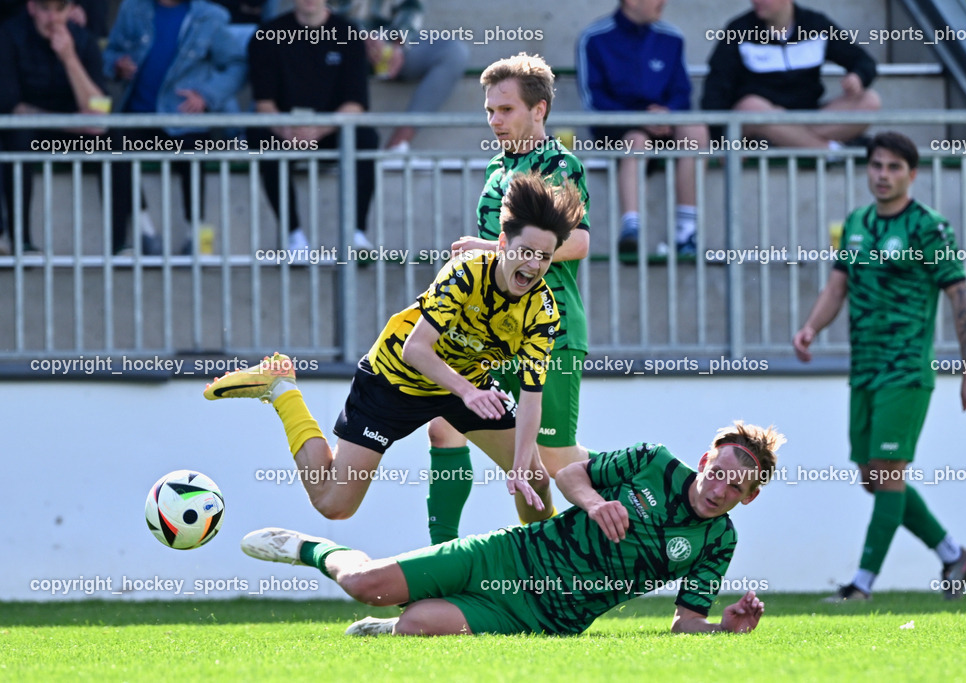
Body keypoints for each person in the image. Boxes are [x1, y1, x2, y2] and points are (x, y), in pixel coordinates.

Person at [205, 172, 584, 526]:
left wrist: (518, 464)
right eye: (526, 251)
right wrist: (469, 392)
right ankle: (282, 388)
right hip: (394, 378)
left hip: (463, 385)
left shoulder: (542, 310)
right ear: (502, 243)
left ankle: (543, 578)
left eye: (545, 257)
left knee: (534, 480)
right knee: (333, 504)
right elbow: (415, 350)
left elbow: (532, 397)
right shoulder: (466, 272)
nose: (534, 265)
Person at [240, 421, 781, 637]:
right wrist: (593, 503)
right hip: (510, 557)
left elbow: (685, 625)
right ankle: (313, 549)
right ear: (707, 459)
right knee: (365, 587)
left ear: (750, 498)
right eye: (720, 474)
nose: (719, 490)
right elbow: (569, 473)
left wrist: (725, 631)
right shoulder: (652, 460)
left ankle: (394, 628)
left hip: (545, 618)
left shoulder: (718, 541)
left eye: (736, 489)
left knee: (414, 627)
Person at [793, 131, 966, 601]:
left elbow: (959, 295)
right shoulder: (858, 222)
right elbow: (837, 286)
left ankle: (860, 586)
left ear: (912, 174)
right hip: (865, 370)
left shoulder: (928, 227)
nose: (883, 175)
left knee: (886, 471)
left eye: (894, 167)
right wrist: (811, 328)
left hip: (906, 370)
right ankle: (953, 554)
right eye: (877, 166)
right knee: (873, 477)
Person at [423, 53, 591, 544]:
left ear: (539, 110)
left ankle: (642, 492)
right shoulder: (498, 168)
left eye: (506, 110)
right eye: (489, 111)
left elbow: (579, 242)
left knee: (554, 460)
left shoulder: (559, 164)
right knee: (445, 427)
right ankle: (439, 562)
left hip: (550, 331)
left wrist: (495, 247)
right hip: (490, 331)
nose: (494, 120)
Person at [104, 0, 247, 254]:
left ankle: (196, 236)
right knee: (112, 148)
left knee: (194, 151)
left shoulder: (210, 16)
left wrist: (206, 95)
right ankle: (145, 231)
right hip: (137, 116)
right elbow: (109, 53)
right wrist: (117, 65)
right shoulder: (132, 9)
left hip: (183, 117)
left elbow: (236, 65)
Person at [247, 0, 379, 254]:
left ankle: (356, 234)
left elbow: (356, 104)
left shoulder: (348, 34)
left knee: (365, 137)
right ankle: (293, 236)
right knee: (261, 138)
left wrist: (319, 129)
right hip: (283, 130)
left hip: (332, 129)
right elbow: (263, 103)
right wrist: (287, 130)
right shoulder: (267, 35)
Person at [577, 0, 707, 256]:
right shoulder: (594, 38)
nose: (663, 2)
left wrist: (666, 114)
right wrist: (638, 118)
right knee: (637, 140)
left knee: (697, 131)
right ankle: (631, 229)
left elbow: (682, 92)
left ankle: (686, 233)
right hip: (617, 126)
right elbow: (594, 99)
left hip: (665, 123)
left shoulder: (671, 37)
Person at [0, 0, 116, 254]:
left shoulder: (83, 41)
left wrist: (70, 58)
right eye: (44, 9)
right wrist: (78, 122)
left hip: (65, 133)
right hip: (27, 133)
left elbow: (100, 112)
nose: (52, 18)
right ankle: (21, 242)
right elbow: (12, 108)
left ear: (71, 9)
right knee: (18, 138)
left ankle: (121, 245)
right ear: (31, 7)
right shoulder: (9, 35)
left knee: (117, 140)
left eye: (60, 9)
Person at [701, 0, 881, 151]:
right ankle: (829, 151)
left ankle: (787, 139)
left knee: (869, 101)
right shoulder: (738, 30)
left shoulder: (816, 24)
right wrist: (721, 140)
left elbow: (863, 60)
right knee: (752, 107)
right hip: (756, 122)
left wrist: (858, 76)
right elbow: (716, 88)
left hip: (806, 116)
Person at [336, 0, 469, 152]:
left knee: (453, 52)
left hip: (387, 42)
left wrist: (398, 41)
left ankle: (396, 146)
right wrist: (357, 37)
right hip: (337, 40)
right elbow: (316, 10)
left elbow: (411, 7)